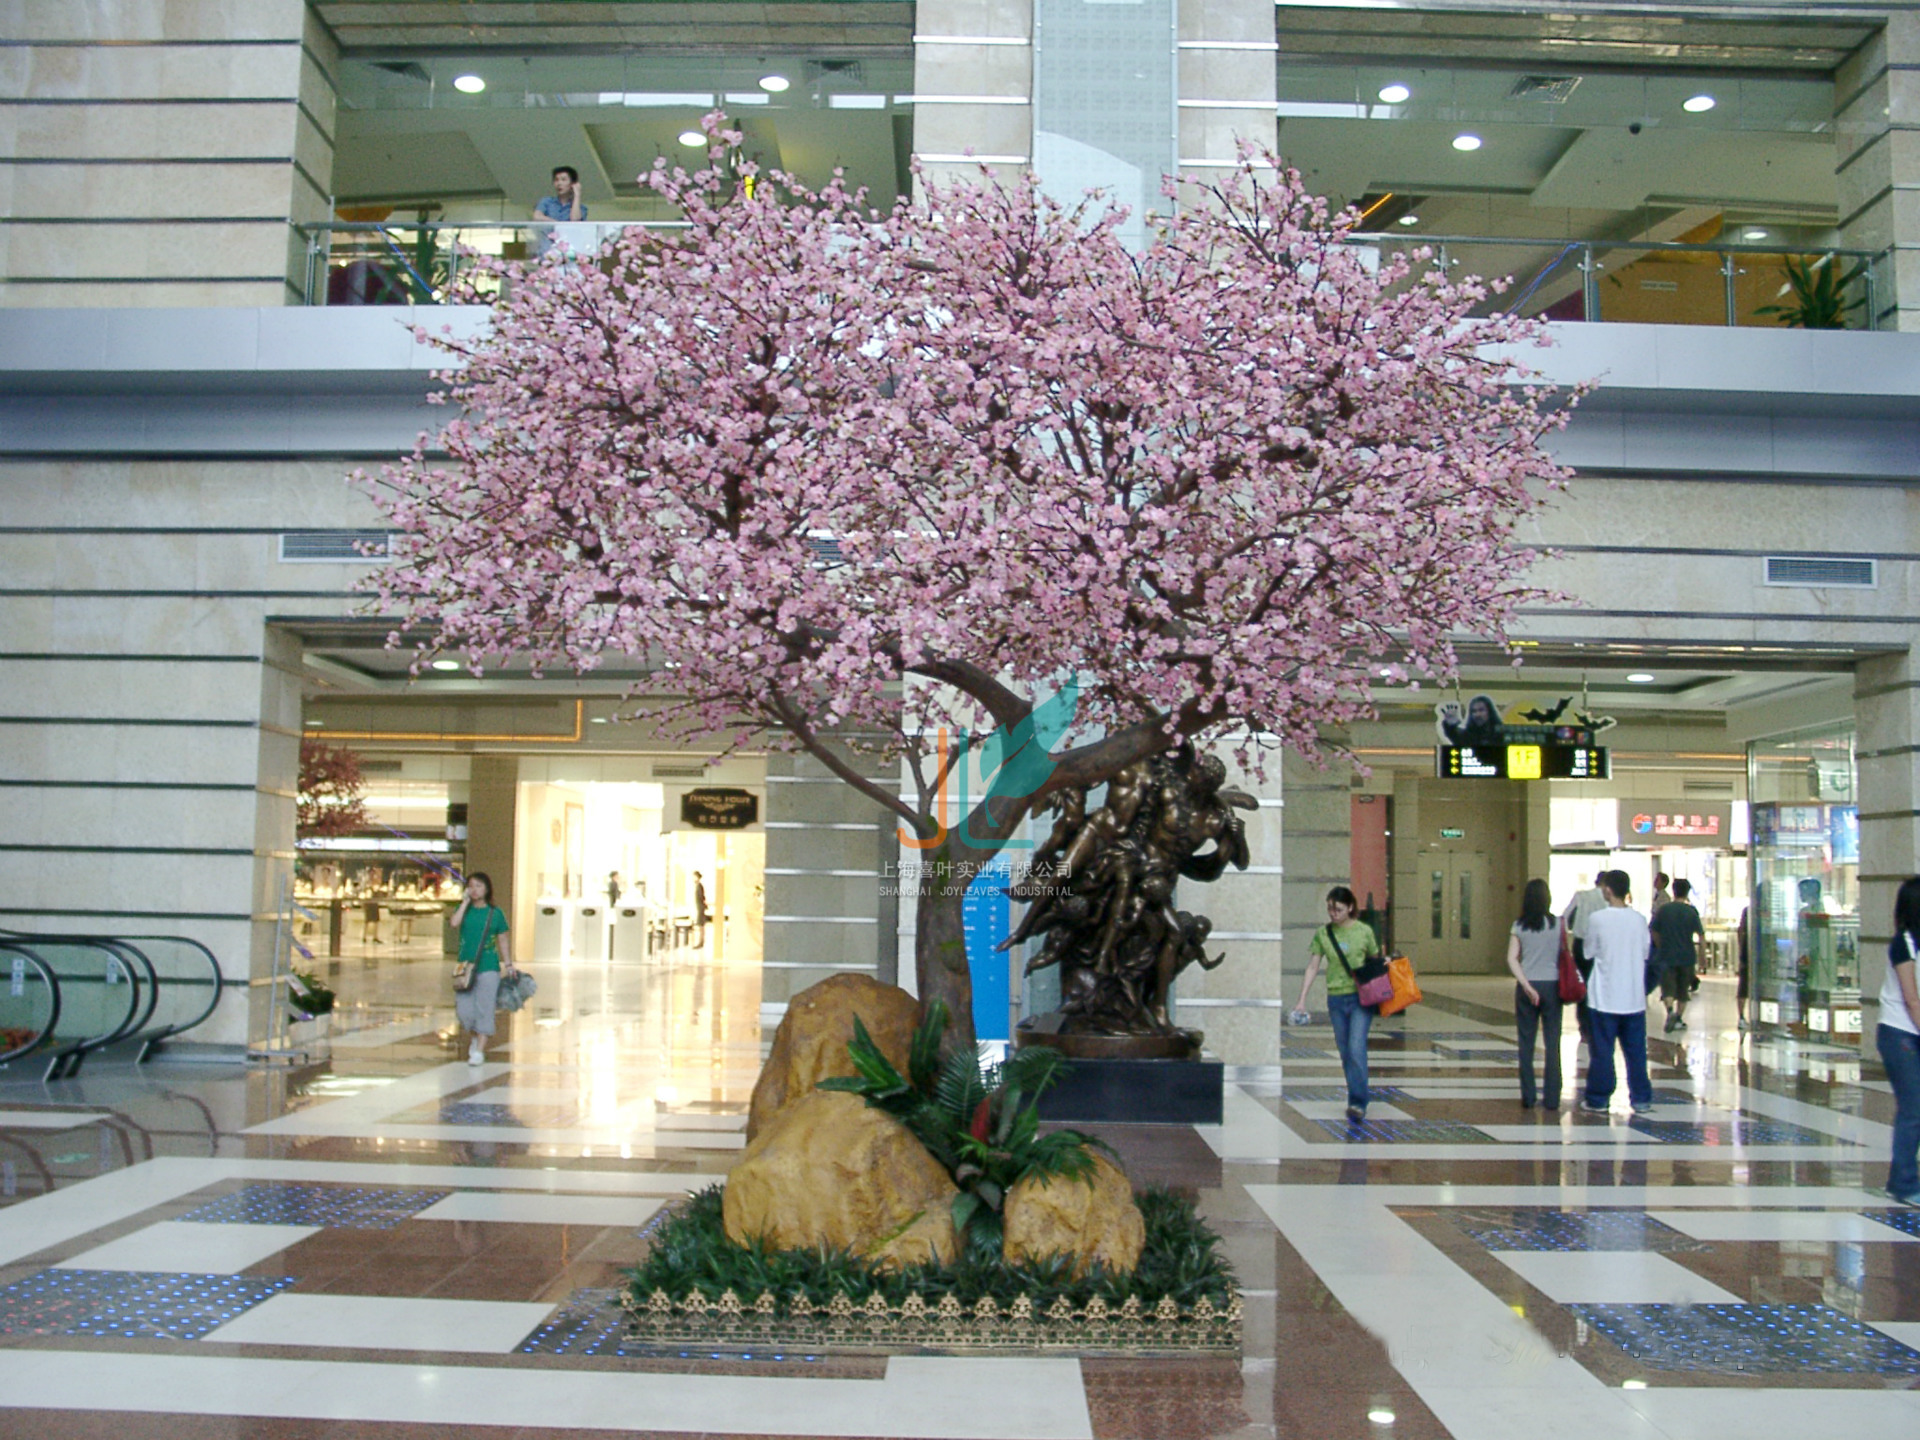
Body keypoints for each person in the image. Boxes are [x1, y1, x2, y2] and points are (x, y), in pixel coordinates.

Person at [1291, 886, 1385, 1123]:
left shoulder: (1364, 932)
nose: (1333, 914)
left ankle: (1358, 1102)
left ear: (1350, 907)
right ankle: (1355, 1095)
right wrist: (1302, 999)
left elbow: (1376, 961)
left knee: (1356, 1047)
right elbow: (1313, 966)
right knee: (1345, 1052)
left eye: (1338, 909)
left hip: (1360, 999)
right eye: (1330, 909)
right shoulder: (1323, 934)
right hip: (1336, 999)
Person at [1581, 869, 1654, 1114]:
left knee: (1602, 1051)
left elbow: (1588, 952)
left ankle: (1599, 1098)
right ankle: (1641, 1097)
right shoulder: (1639, 920)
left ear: (1608, 890)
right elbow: (1645, 953)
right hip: (1633, 998)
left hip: (1604, 996)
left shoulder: (1598, 919)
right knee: (1636, 1053)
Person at [1876, 877, 1920, 1206]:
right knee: (1913, 1108)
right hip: (1899, 1032)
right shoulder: (1903, 943)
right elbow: (1911, 999)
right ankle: (1902, 1184)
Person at [1506, 879, 1562, 1110]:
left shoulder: (1519, 926)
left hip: (1528, 987)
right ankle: (1552, 1098)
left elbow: (1511, 958)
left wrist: (1527, 986)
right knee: (1552, 1043)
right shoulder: (1558, 924)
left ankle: (1528, 1096)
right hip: (1553, 987)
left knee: (1526, 1043)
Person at [449, 871, 515, 1066]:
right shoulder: (465, 909)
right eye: (471, 886)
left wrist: (508, 963)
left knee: (485, 1008)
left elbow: (503, 939)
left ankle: (479, 1050)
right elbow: (454, 923)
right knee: (464, 1011)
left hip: (488, 966)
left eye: (479, 886)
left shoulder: (495, 914)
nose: (475, 890)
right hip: (464, 966)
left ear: (486, 889)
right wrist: (464, 903)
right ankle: (475, 1036)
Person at [1649, 877, 1705, 1033]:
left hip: (1666, 955)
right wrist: (1702, 957)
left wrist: (1660, 945)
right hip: (1686, 955)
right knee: (1682, 990)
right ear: (1687, 892)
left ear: (1673, 891)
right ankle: (1679, 1018)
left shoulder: (1664, 910)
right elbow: (1700, 935)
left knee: (1667, 987)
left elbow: (1654, 931)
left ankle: (1669, 1011)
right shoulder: (1691, 911)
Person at [1563, 869, 1608, 1043]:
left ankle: (1584, 1028)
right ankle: (1599, 1025)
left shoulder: (1581, 896)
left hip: (1581, 945)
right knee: (1600, 986)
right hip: (1602, 947)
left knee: (1583, 986)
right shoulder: (1608, 900)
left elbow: (1566, 918)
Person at [531, 165, 586, 257]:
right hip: (547, 249)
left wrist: (577, 195)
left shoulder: (581, 208)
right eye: (556, 180)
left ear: (572, 184)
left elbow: (575, 220)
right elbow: (537, 216)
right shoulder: (547, 201)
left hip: (570, 251)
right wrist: (557, 223)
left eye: (563, 180)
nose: (559, 183)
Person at [1736, 902, 1753, 1031]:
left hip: (1747, 952)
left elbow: (1740, 931)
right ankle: (1742, 1016)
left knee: (1743, 986)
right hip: (1750, 953)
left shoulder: (1748, 910)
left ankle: (1742, 1016)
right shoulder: (1749, 911)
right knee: (1744, 986)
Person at [691, 870, 710, 948]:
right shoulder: (698, 885)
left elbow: (702, 897)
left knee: (701, 925)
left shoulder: (699, 886)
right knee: (700, 925)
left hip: (700, 908)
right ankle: (700, 941)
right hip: (699, 907)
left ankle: (701, 942)